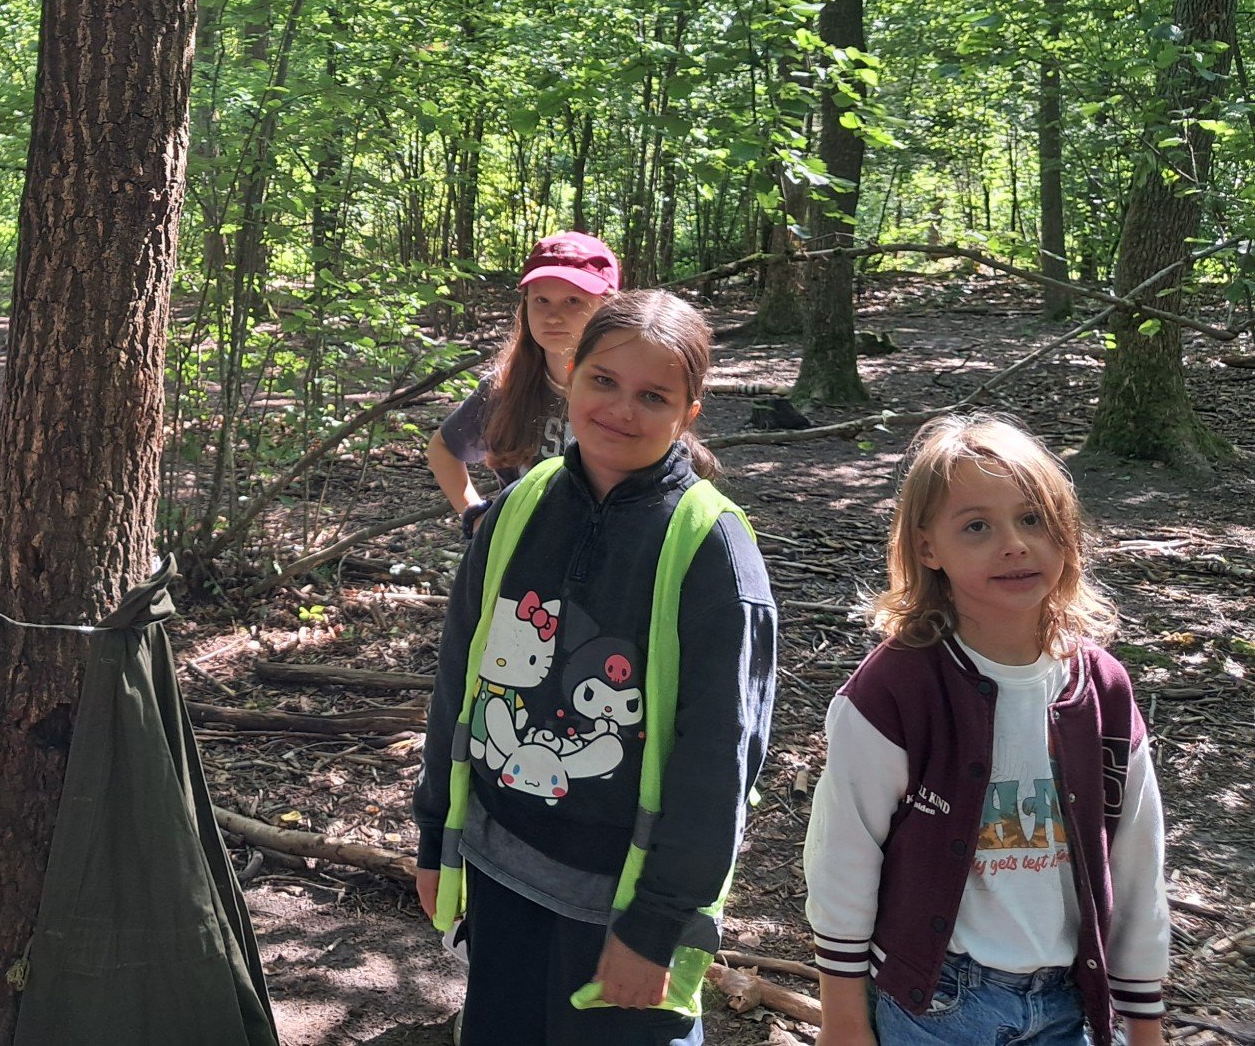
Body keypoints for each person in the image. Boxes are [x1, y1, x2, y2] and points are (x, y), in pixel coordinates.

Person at [415, 290, 777, 1046]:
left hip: (621, 902)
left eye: (654, 396)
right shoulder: (520, 506)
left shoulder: (710, 547)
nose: (621, 409)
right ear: (571, 375)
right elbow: (460, 678)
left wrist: (656, 925)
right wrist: (434, 837)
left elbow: (722, 756)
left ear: (688, 413)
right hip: (498, 866)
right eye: (603, 381)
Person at [804, 414, 1168, 1046]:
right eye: (977, 526)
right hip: (936, 1000)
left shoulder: (1102, 690)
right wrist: (842, 1018)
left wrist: (1143, 1024)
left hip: (1069, 1002)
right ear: (927, 548)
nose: (1014, 544)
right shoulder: (898, 687)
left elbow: (1137, 862)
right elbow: (843, 855)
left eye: (1033, 519)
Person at [427, 232, 620, 540]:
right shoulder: (504, 389)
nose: (553, 316)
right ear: (526, 304)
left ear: (606, 306)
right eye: (542, 300)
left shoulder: (630, 391)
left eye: (573, 301)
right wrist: (477, 518)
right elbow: (443, 449)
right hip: (520, 557)